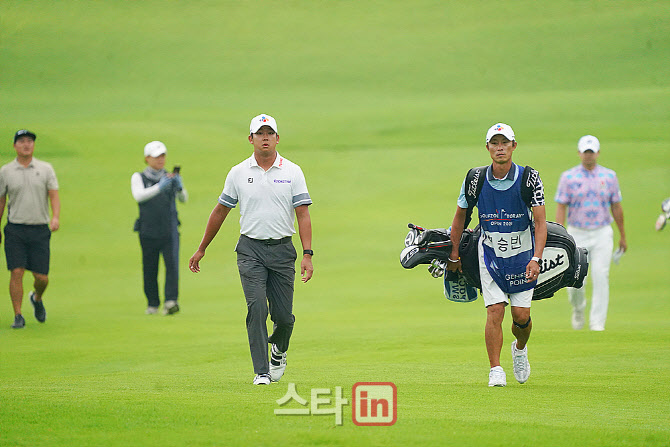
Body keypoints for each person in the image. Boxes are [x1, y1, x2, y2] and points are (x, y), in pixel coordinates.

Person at [189, 114, 313, 386]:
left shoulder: (292, 171)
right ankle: (262, 371)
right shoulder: (238, 172)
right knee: (256, 307)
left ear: (277, 138)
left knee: (283, 317)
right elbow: (221, 210)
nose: (265, 137)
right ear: (251, 139)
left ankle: (278, 351)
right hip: (250, 250)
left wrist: (307, 253)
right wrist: (202, 248)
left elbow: (302, 214)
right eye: (260, 133)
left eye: (270, 133)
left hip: (282, 251)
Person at [447, 123, 547, 387]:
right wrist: (454, 254)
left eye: (505, 143)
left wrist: (536, 258)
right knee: (494, 311)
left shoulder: (529, 178)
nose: (499, 147)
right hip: (489, 253)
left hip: (523, 255)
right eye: (495, 143)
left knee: (521, 316)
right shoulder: (475, 178)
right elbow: (460, 217)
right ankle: (495, 369)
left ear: (514, 146)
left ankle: (520, 349)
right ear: (488, 147)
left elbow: (540, 223)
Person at [555, 135, 626, 331]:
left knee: (601, 275)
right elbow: (561, 206)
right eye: (585, 152)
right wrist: (560, 235)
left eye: (592, 152)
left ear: (598, 153)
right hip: (577, 233)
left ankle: (597, 325)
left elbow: (616, 207)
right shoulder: (568, 177)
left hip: (602, 231)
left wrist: (622, 235)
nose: (589, 156)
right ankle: (578, 309)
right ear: (579, 153)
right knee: (575, 278)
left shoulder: (609, 176)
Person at [0, 130, 60, 329]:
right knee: (16, 271)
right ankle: (18, 315)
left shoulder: (45, 169)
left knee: (41, 277)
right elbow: (2, 200)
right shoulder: (6, 171)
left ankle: (37, 297)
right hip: (15, 228)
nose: (26, 145)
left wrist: (55, 217)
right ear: (15, 146)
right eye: (22, 141)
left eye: (30, 141)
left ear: (33, 145)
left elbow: (53, 195)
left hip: (39, 229)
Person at [131, 141, 187, 315]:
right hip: (148, 230)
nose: (160, 160)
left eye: (162, 156)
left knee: (172, 265)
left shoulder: (170, 177)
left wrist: (178, 187)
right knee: (150, 267)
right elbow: (139, 196)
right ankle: (153, 304)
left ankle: (171, 301)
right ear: (147, 158)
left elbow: (183, 198)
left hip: (169, 229)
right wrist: (159, 187)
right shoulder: (139, 177)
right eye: (156, 157)